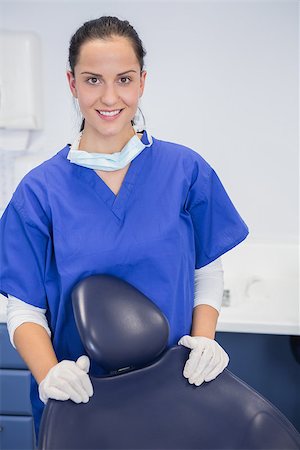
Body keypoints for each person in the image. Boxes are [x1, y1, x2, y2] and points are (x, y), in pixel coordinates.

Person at [0, 16, 249, 445]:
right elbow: (23, 308)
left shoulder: (184, 170)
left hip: (173, 390)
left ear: (142, 82)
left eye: (124, 79)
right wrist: (50, 374)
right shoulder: (39, 192)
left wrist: (204, 341)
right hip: (82, 400)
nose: (110, 97)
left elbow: (206, 269)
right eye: (93, 79)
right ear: (72, 84)